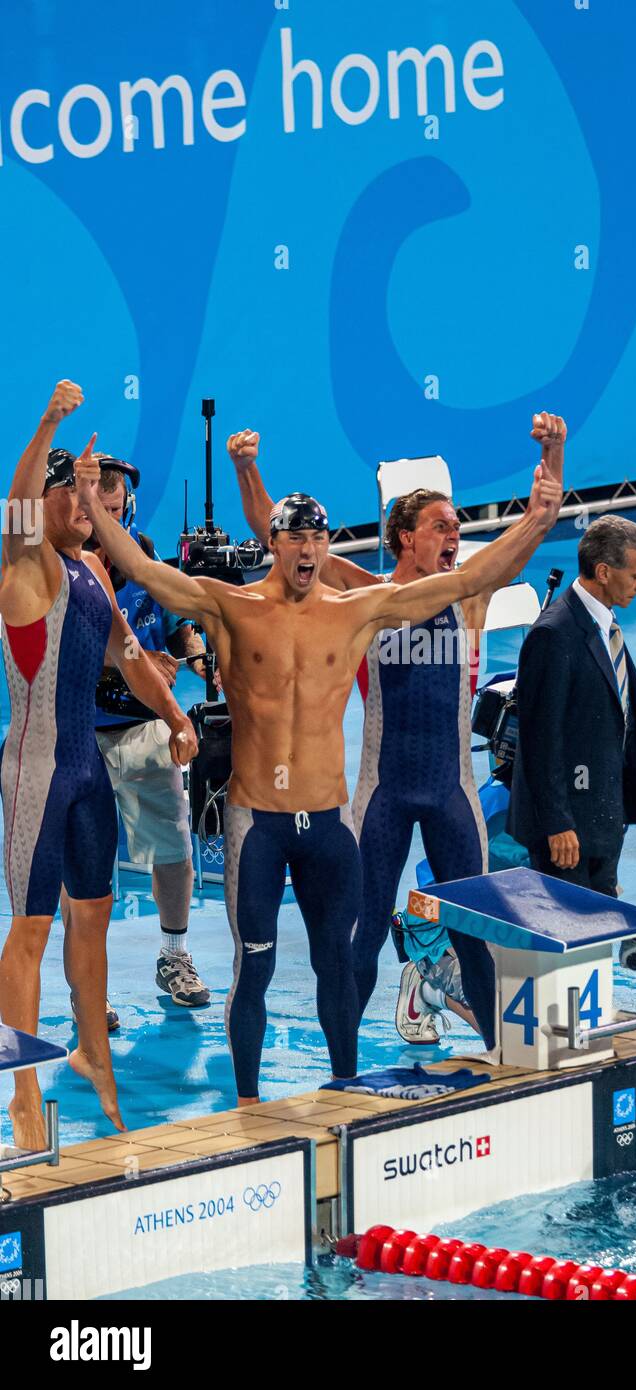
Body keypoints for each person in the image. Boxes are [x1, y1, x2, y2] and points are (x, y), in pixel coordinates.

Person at [75, 433, 563, 1103]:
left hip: (331, 822)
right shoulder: (235, 607)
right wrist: (94, 507)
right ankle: (248, 1106)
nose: (308, 552)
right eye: (296, 540)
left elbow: (473, 578)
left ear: (329, 544)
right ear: (277, 544)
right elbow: (149, 572)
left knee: (343, 958)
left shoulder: (357, 610)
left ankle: (346, 1091)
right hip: (263, 821)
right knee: (257, 968)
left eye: (319, 540)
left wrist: (539, 514)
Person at [228, 415, 566, 1052]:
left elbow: (534, 526)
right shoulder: (366, 598)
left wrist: (554, 452)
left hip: (450, 792)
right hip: (381, 794)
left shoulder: (468, 598)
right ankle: (345, 1073)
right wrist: (248, 469)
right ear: (405, 537)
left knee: (474, 930)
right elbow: (274, 533)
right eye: (441, 525)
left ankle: (503, 1058)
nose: (455, 533)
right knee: (362, 935)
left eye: (456, 524)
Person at [0, 384, 198, 1147]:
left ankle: (89, 1046)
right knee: (30, 930)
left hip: (88, 772)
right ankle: (20, 1091)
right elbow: (15, 508)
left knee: (95, 918)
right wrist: (48, 422)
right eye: (72, 492)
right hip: (37, 771)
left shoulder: (91, 572)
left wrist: (178, 717)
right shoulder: (26, 565)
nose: (86, 504)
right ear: (45, 501)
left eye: (91, 494)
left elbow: (130, 655)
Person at [59, 457, 211, 1023]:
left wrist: (195, 656)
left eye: (113, 510)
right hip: (77, 732)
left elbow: (177, 628)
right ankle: (85, 988)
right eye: (93, 508)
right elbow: (107, 651)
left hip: (143, 727)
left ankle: (174, 955)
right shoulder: (58, 565)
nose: (102, 520)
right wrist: (142, 666)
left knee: (172, 846)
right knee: (82, 864)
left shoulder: (145, 561)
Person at [507, 515, 636, 896]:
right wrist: (557, 823)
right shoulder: (553, 634)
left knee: (600, 932)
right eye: (635, 575)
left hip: (603, 814)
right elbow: (539, 739)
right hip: (568, 829)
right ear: (603, 572)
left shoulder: (604, 624)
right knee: (572, 941)